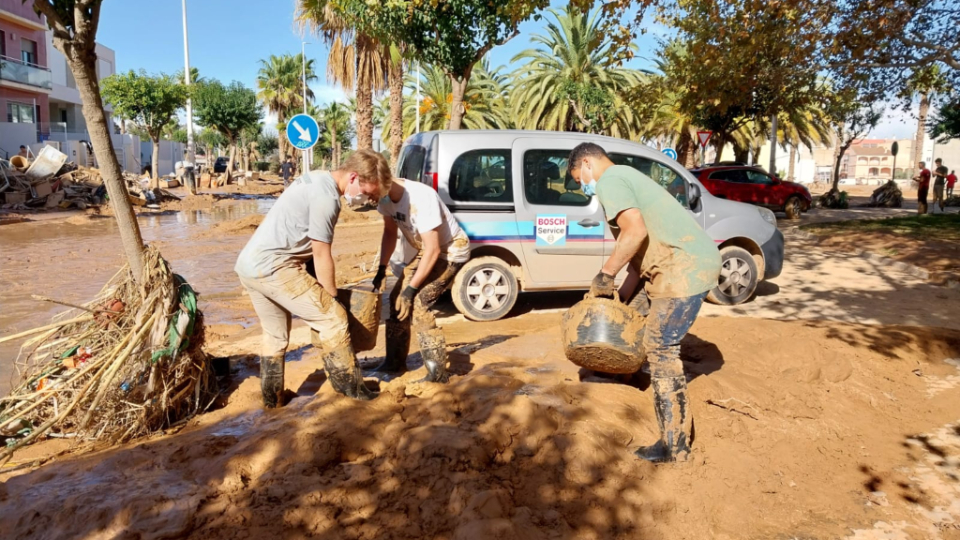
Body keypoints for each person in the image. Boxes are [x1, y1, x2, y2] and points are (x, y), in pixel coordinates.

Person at [567, 142, 721, 463]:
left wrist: (605, 274)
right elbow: (637, 264)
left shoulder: (610, 180)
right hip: (677, 265)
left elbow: (634, 232)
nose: (583, 186)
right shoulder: (624, 178)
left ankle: (674, 446)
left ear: (586, 164)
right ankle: (622, 375)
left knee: (661, 347)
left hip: (684, 267)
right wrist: (617, 301)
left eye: (580, 179)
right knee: (635, 317)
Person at [234, 149, 393, 408]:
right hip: (274, 266)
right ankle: (352, 395)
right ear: (353, 177)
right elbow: (320, 253)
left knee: (275, 337)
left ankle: (272, 402)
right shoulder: (327, 197)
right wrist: (332, 300)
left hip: (249, 265)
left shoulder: (317, 177)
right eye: (368, 192)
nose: (369, 199)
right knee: (334, 319)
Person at [369, 177, 471, 383]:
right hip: (426, 251)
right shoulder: (384, 197)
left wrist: (411, 289)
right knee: (397, 298)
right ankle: (394, 362)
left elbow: (434, 249)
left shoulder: (421, 197)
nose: (368, 198)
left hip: (451, 251)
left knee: (418, 302)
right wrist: (381, 268)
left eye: (369, 192)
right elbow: (389, 233)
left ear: (380, 181)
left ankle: (437, 373)